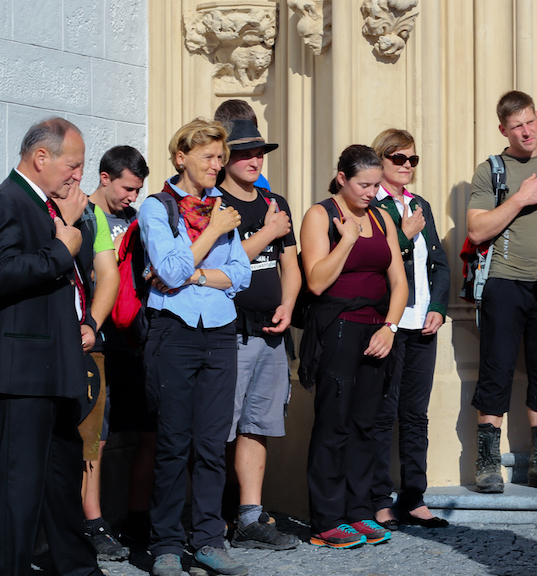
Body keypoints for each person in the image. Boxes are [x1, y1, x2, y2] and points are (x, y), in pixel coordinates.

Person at [0, 118, 104, 576]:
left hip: (54, 369)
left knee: (59, 481)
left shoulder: (49, 208)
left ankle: (77, 568)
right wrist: (61, 247)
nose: (77, 175)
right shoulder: (4, 202)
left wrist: (68, 236)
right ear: (41, 157)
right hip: (22, 373)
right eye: (73, 165)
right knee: (19, 488)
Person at [140, 119, 251, 576]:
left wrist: (197, 274)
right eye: (209, 156)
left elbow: (241, 275)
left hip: (220, 333)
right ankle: (165, 543)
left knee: (211, 443)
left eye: (220, 158)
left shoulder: (221, 208)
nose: (217, 165)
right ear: (181, 156)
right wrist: (211, 235)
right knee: (172, 442)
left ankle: (208, 540)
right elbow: (166, 270)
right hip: (174, 332)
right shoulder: (157, 207)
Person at [466, 91, 537, 494]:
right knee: (496, 370)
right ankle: (486, 464)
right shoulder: (491, 171)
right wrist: (520, 198)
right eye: (517, 126)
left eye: (530, 122)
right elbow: (477, 230)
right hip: (503, 281)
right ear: (504, 129)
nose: (526, 131)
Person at [299, 145, 408, 549]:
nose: (371, 192)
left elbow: (399, 280)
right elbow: (315, 281)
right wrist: (345, 241)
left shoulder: (381, 217)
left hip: (376, 329)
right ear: (342, 178)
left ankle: (358, 511)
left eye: (376, 185)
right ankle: (327, 520)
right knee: (334, 423)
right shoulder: (320, 215)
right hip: (337, 328)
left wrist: (390, 327)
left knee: (366, 424)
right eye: (364, 184)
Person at [218, 119, 300, 550]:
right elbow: (226, 262)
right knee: (220, 428)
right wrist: (268, 231)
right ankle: (211, 518)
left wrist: (288, 303)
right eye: (244, 153)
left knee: (257, 427)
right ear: (226, 157)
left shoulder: (274, 199)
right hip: (230, 334)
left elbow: (290, 265)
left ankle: (250, 517)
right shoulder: (217, 203)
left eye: (259, 153)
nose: (254, 160)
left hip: (271, 335)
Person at [368, 129, 451, 531]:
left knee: (415, 415)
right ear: (381, 160)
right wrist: (405, 234)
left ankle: (414, 498)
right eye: (398, 158)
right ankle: (380, 500)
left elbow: (440, 263)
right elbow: (377, 260)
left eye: (412, 160)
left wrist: (438, 306)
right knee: (383, 413)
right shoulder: (373, 205)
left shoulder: (420, 205)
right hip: (389, 323)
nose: (406, 166)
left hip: (423, 325)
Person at [53, 179, 125, 561]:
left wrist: (92, 324)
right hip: (41, 347)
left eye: (80, 168)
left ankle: (93, 522)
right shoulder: (29, 207)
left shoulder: (92, 214)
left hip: (85, 344)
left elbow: (108, 274)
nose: (74, 177)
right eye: (70, 166)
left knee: (92, 438)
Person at [87, 145, 155, 547]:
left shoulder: (138, 221)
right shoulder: (84, 215)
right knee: (97, 434)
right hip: (97, 339)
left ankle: (138, 517)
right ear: (105, 177)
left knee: (150, 431)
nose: (133, 197)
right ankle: (93, 524)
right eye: (128, 188)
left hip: (133, 341)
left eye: (139, 190)